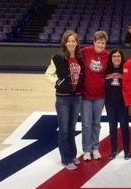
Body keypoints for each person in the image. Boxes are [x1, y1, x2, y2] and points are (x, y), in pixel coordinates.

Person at [45, 30, 84, 170]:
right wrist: (57, 82)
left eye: (74, 41)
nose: (71, 43)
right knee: (64, 129)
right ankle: (66, 159)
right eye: (69, 41)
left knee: (72, 128)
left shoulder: (80, 58)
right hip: (63, 99)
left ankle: (72, 154)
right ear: (65, 43)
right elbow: (48, 74)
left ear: (76, 43)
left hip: (77, 97)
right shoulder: (57, 58)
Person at [81, 31, 109, 161]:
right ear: (94, 42)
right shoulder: (85, 52)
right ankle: (86, 149)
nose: (100, 45)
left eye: (103, 43)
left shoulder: (107, 56)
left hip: (100, 95)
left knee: (96, 123)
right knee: (86, 124)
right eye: (98, 42)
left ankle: (95, 147)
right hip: (85, 95)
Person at [104, 48, 131, 160]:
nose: (116, 58)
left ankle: (126, 151)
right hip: (110, 104)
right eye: (114, 56)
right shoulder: (106, 70)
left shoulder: (126, 69)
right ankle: (113, 150)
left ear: (121, 58)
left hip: (123, 104)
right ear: (111, 58)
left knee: (124, 127)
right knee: (112, 127)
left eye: (118, 56)